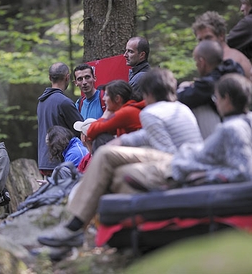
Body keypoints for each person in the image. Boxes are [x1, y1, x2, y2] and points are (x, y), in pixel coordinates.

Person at [37, 68, 204, 248]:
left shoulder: (152, 112)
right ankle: (90, 231)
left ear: (148, 92)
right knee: (117, 176)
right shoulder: (180, 108)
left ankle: (74, 225)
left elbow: (167, 151)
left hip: (175, 166)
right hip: (186, 163)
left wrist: (118, 150)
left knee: (105, 155)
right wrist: (122, 141)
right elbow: (147, 136)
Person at [172, 73, 252, 183]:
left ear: (227, 99)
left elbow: (245, 174)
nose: (216, 103)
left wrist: (207, 175)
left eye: (216, 98)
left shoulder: (232, 129)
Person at [177, 40, 244, 138]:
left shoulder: (208, 84)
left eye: (196, 61)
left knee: (200, 106)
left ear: (202, 62)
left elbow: (182, 98)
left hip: (226, 131)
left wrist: (183, 88)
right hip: (242, 123)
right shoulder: (234, 69)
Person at [37, 62, 83, 176]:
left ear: (49, 77)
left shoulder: (41, 102)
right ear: (67, 77)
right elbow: (81, 129)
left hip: (44, 161)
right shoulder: (64, 102)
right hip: (60, 162)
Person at [192, 11, 252, 78]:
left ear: (221, 35)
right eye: (200, 40)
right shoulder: (217, 60)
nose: (204, 43)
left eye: (208, 38)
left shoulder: (230, 62)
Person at [86, 79, 146, 144]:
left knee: (101, 139)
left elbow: (91, 131)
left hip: (138, 152)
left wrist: (105, 115)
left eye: (106, 95)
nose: (103, 99)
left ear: (117, 99)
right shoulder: (129, 109)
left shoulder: (126, 112)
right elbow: (93, 133)